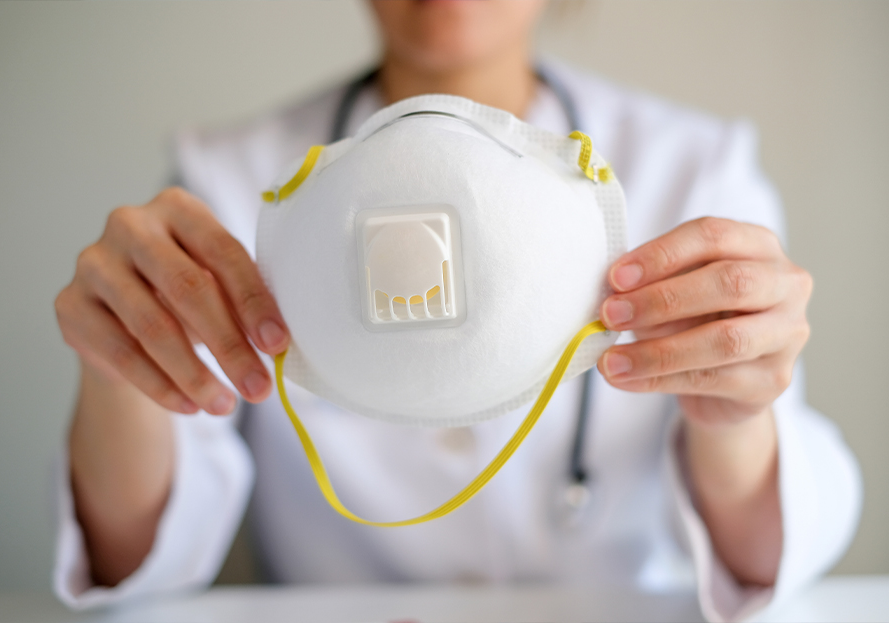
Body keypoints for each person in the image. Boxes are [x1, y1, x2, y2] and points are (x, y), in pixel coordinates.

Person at [53, 1, 861, 620]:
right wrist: (123, 366)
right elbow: (132, 564)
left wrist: (734, 421)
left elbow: (759, 560)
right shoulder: (225, 185)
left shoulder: (693, 169)